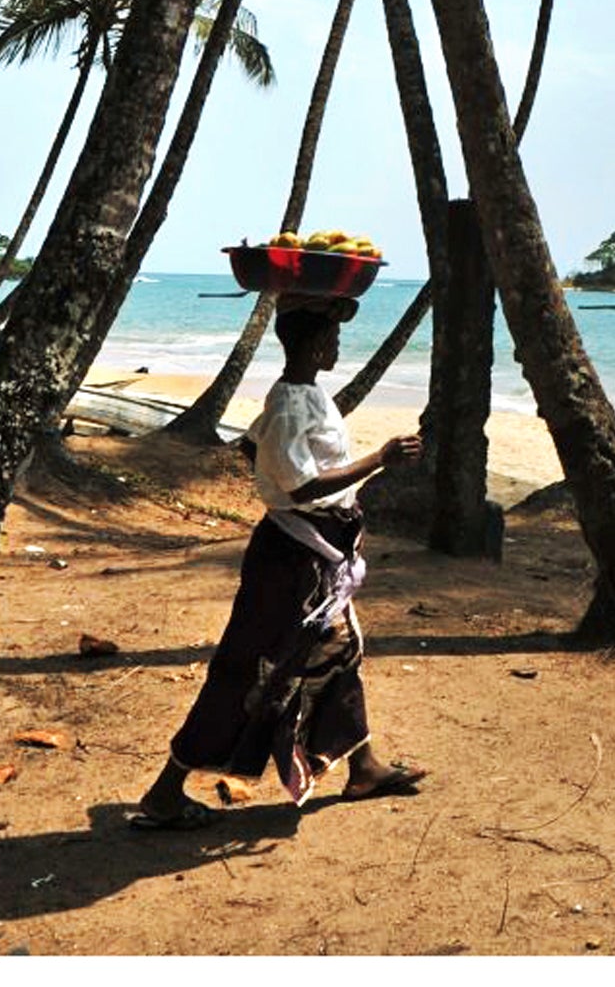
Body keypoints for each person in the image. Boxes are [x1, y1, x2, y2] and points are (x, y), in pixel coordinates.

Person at [132, 298, 426, 830]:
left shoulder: (302, 395)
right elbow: (303, 485)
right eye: (333, 339)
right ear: (314, 346)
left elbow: (252, 447)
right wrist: (379, 460)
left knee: (338, 652)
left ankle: (362, 767)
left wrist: (282, 486)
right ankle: (165, 792)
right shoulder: (292, 404)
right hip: (291, 560)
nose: (337, 347)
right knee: (247, 668)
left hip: (310, 555)